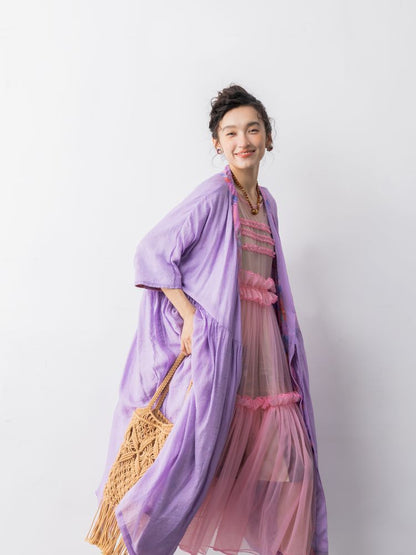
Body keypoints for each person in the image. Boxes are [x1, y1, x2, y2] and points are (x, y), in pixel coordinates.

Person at [90, 84, 329, 555]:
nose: (243, 141)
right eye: (231, 132)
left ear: (268, 138)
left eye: (252, 130)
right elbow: (152, 253)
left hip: (266, 358)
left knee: (292, 470)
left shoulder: (267, 202)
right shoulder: (214, 195)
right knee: (194, 466)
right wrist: (190, 317)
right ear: (217, 143)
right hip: (223, 354)